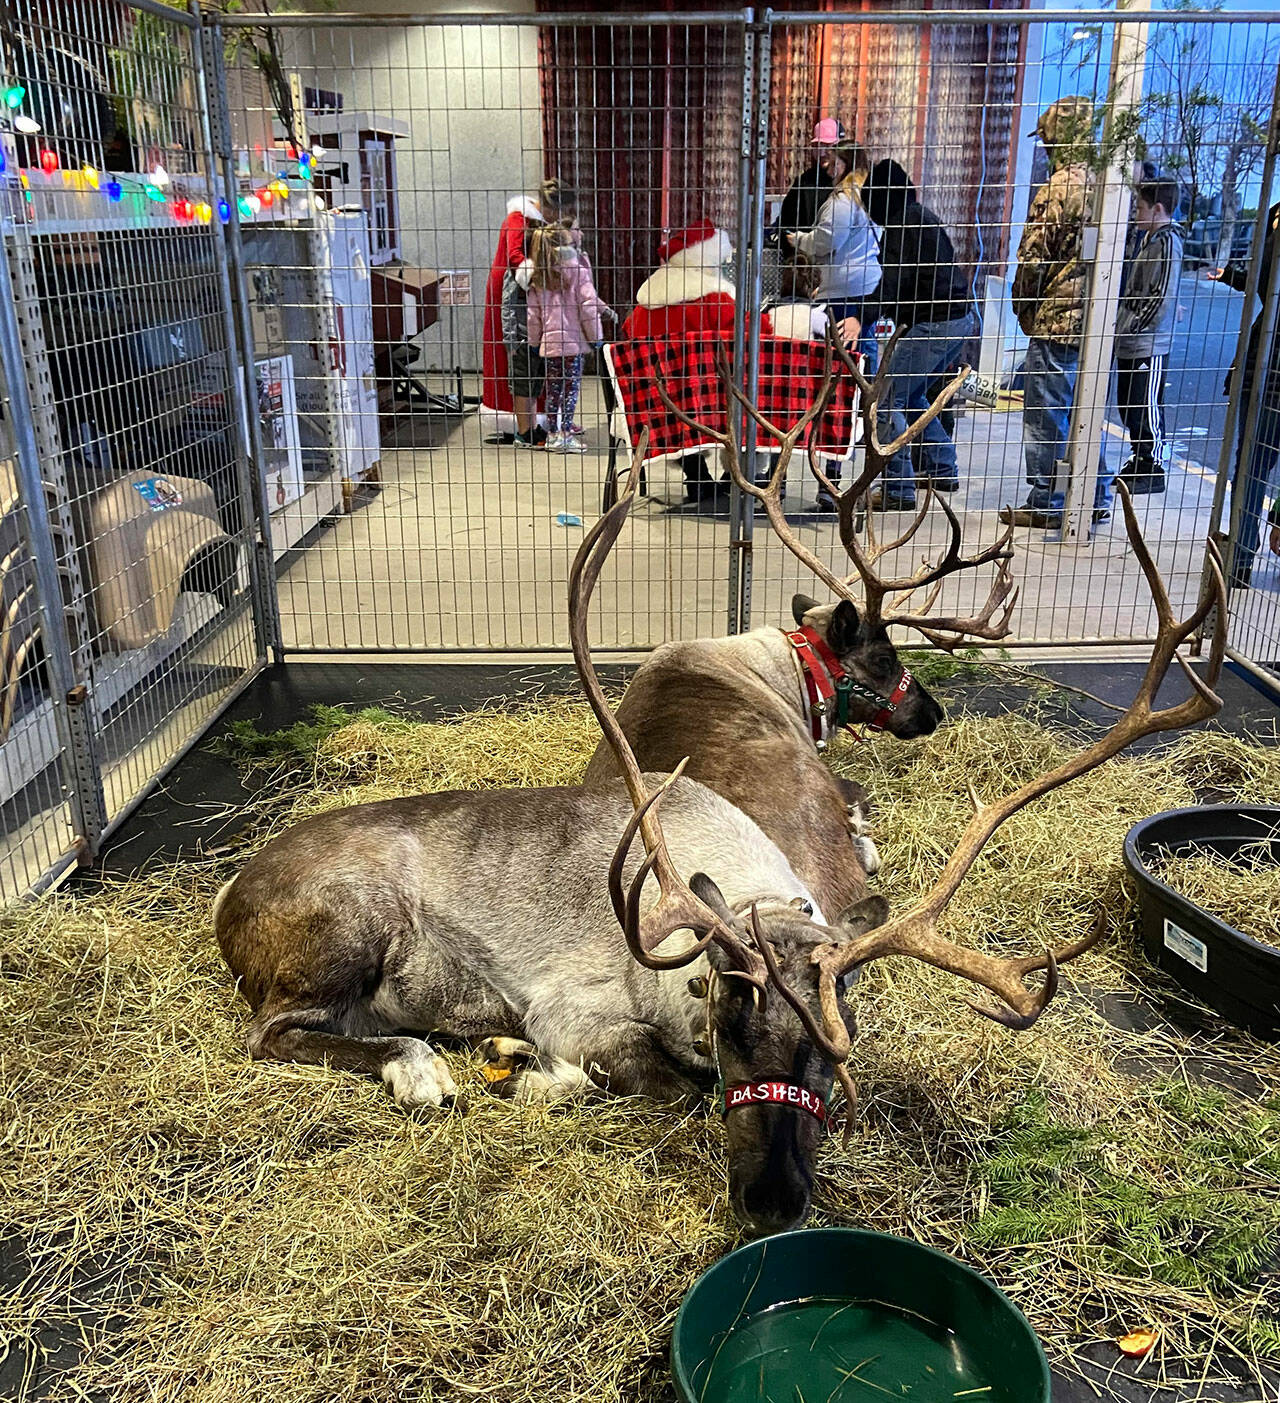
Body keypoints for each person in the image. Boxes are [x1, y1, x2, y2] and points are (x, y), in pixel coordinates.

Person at [1001, 97, 1113, 531]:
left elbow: (1033, 259)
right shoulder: (1107, 184)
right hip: (1096, 321)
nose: (1044, 149)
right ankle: (1095, 495)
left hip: (1057, 320)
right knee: (1085, 410)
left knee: (1047, 414)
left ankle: (1049, 499)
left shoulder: (1059, 188)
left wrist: (1023, 306)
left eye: (1047, 139)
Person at [622, 221, 770, 506]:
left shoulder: (646, 302)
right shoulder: (714, 299)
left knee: (683, 390)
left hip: (653, 405)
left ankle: (697, 476)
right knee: (750, 394)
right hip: (707, 402)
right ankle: (738, 476)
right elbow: (752, 332)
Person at [861, 158, 979, 510]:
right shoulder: (917, 216)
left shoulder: (904, 223)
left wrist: (860, 317)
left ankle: (898, 489)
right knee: (910, 397)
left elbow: (894, 284)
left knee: (885, 401)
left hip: (937, 322)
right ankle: (942, 469)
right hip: (957, 319)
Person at [1210, 201, 1280, 588]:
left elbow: (1266, 278)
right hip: (1266, 362)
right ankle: (1239, 554)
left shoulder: (1277, 215)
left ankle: (1239, 558)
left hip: (1268, 358)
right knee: (1251, 463)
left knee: (1252, 464)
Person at [480, 178, 575, 441]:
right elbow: (515, 258)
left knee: (531, 361)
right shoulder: (517, 219)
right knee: (518, 358)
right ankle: (521, 425)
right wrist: (542, 277)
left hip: (532, 294)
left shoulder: (538, 222)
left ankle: (531, 421)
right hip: (514, 294)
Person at [1113, 177, 1184, 497]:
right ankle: (1138, 457)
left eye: (1140, 207)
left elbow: (1161, 296)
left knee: (1145, 403)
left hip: (1148, 342)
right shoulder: (1149, 239)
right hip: (1131, 339)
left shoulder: (1168, 243)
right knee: (1128, 402)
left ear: (1158, 208)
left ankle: (1153, 465)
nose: (1135, 213)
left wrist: (1134, 325)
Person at [787, 139, 881, 363]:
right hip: (866, 285)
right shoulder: (870, 196)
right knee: (865, 348)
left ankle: (847, 396)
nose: (828, 166)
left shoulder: (843, 200)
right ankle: (869, 395)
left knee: (843, 353)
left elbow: (827, 241)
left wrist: (800, 240)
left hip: (845, 287)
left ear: (845, 163)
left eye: (833, 160)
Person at [525, 223, 614, 453]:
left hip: (551, 346)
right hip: (574, 346)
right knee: (570, 390)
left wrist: (535, 343)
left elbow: (533, 317)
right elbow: (587, 308)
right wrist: (597, 339)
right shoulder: (578, 272)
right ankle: (565, 434)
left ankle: (554, 434)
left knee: (553, 390)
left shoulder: (538, 276)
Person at [766, 118, 843, 256]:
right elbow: (786, 223)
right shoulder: (805, 181)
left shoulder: (855, 183)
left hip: (842, 263)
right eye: (818, 146)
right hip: (808, 261)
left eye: (829, 146)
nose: (823, 152)